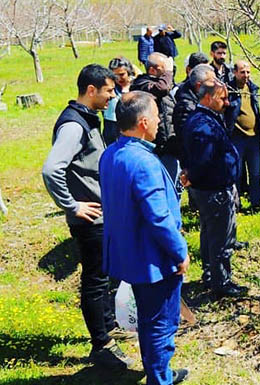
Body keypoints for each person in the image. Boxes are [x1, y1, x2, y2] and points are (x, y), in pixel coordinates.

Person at [42, 64, 135, 369]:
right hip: (89, 220)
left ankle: (109, 326)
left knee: (104, 277)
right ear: (91, 90)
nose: (114, 95)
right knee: (94, 281)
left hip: (102, 217)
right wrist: (72, 206)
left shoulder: (88, 119)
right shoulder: (74, 125)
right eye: (109, 90)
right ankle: (102, 345)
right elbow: (52, 169)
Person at [100, 91, 190, 385]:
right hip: (153, 259)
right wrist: (179, 252)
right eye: (155, 116)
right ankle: (160, 378)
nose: (159, 121)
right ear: (142, 122)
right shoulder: (144, 162)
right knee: (161, 323)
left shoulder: (110, 154)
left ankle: (159, 372)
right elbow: (159, 218)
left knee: (151, 320)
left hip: (128, 253)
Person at [182, 77, 247, 298]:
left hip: (210, 188)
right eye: (223, 98)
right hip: (214, 190)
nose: (227, 102)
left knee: (210, 233)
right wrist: (193, 177)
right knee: (220, 238)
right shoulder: (203, 124)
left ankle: (211, 274)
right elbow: (203, 159)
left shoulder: (205, 117)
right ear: (208, 98)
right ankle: (222, 282)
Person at [131, 52, 180, 188]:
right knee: (161, 186)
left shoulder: (162, 82)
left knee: (174, 185)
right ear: (152, 70)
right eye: (163, 69)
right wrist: (168, 72)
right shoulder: (141, 84)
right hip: (155, 148)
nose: (167, 72)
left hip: (170, 146)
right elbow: (162, 89)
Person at [226, 60, 260, 209]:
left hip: (254, 137)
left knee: (255, 173)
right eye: (242, 72)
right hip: (237, 138)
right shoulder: (229, 90)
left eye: (248, 72)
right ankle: (236, 205)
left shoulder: (252, 88)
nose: (246, 75)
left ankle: (256, 203)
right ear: (235, 73)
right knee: (237, 173)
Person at [103, 56, 135, 145]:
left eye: (122, 74)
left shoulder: (136, 85)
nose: (118, 78)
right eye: (115, 75)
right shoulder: (109, 86)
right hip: (111, 124)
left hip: (130, 124)